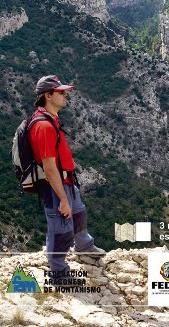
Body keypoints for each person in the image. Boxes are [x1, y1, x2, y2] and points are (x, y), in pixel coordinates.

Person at [28, 75, 105, 278]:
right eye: (61, 92)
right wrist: (63, 199)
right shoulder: (43, 126)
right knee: (60, 230)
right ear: (48, 95)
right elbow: (50, 168)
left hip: (68, 181)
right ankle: (59, 272)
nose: (65, 95)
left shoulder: (51, 119)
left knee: (79, 214)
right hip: (55, 187)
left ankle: (85, 247)